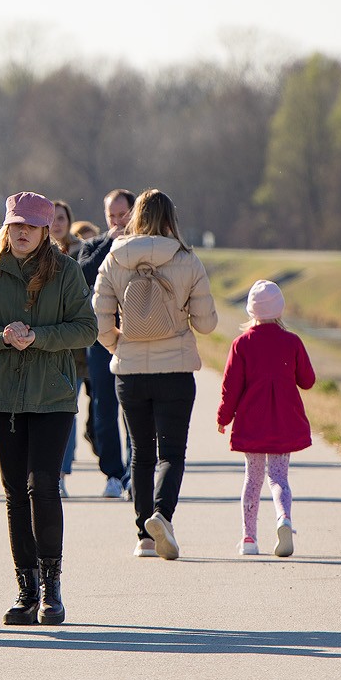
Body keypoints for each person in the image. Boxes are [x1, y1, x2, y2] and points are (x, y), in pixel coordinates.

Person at [0, 192, 97, 624]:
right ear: (7, 226)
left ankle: (52, 589)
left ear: (45, 231)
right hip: (1, 396)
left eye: (31, 227)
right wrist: (1, 335)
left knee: (43, 487)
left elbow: (87, 329)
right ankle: (26, 590)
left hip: (51, 395)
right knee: (16, 493)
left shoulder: (67, 271)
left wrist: (38, 336)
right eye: (16, 225)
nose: (22, 233)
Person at [92, 189, 218, 561]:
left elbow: (98, 319)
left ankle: (143, 536)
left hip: (130, 372)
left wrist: (120, 345)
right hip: (175, 370)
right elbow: (208, 324)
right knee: (171, 453)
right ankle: (162, 515)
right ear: (170, 218)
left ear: (134, 216)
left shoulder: (114, 258)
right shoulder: (186, 258)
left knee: (141, 454)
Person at [216, 280, 315, 558]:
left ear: (251, 311)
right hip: (283, 421)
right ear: (279, 309)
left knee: (253, 479)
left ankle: (249, 538)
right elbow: (307, 381)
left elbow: (230, 386)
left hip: (252, 422)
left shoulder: (241, 345)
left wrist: (224, 417)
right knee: (279, 478)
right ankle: (284, 518)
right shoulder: (292, 342)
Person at [75, 189, 135, 499]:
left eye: (122, 215)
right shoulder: (93, 246)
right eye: (111, 215)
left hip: (137, 338)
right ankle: (112, 472)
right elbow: (84, 273)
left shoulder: (144, 247)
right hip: (101, 339)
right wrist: (112, 242)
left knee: (134, 409)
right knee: (104, 406)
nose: (117, 221)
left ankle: (133, 473)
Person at [50, 200, 84, 495]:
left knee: (67, 413)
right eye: (51, 218)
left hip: (77, 352)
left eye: (61, 218)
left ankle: (60, 473)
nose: (56, 223)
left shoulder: (82, 252)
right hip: (45, 346)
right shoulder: (36, 255)